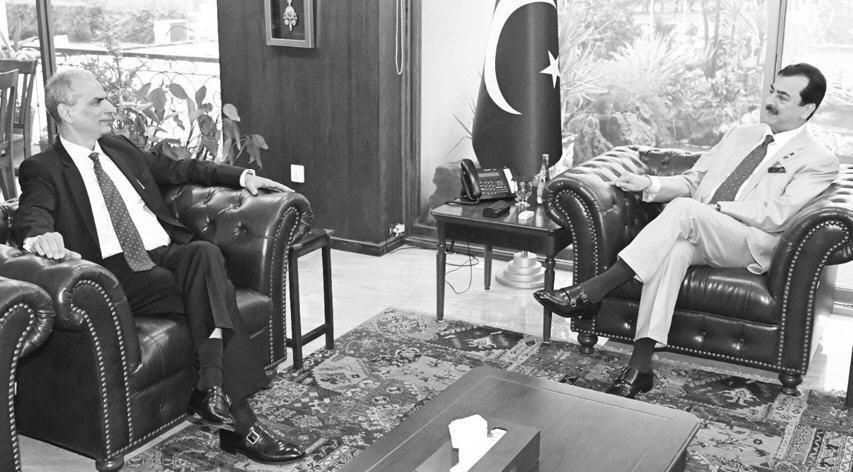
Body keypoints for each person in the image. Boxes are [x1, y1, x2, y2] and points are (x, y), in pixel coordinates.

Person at [13, 68, 305, 464]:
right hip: (119, 272)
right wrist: (39, 238)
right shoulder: (43, 168)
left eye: (107, 98)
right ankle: (241, 422)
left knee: (203, 254)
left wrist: (243, 176)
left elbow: (180, 170)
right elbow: (32, 214)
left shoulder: (118, 147)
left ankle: (210, 387)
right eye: (97, 101)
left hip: (165, 253)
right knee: (215, 293)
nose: (110, 107)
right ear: (66, 111)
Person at [534, 63, 839, 398]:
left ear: (807, 109)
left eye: (782, 97)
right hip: (701, 228)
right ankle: (640, 366)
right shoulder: (741, 135)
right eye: (772, 91)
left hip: (747, 241)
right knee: (673, 252)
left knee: (684, 210)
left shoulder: (817, 159)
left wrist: (718, 209)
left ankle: (592, 291)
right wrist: (649, 183)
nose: (770, 101)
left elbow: (777, 215)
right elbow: (694, 181)